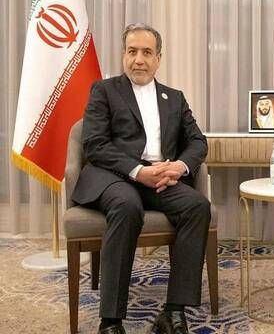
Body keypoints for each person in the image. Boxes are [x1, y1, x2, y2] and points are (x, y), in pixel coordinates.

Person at [72, 23, 210, 334]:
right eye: (132, 51)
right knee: (126, 206)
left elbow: (197, 142)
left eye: (147, 52)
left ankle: (173, 312)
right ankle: (110, 321)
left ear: (158, 58)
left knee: (197, 206)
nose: (139, 59)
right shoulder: (104, 90)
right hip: (115, 176)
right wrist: (138, 171)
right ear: (124, 54)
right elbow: (94, 145)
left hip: (160, 178)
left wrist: (179, 167)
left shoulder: (174, 98)